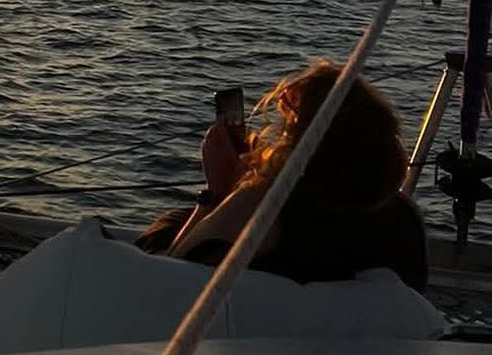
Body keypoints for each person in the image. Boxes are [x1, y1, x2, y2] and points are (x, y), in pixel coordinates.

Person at [150, 60, 428, 291]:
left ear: (304, 139)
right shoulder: (405, 218)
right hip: (358, 349)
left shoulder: (262, 207)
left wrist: (218, 193)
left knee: (166, 229)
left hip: (243, 339)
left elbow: (170, 280)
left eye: (288, 121)